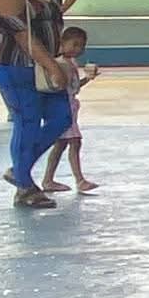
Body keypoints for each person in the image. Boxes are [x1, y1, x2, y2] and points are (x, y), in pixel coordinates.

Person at [0, 0, 68, 208]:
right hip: (15, 67)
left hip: (41, 67)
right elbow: (22, 35)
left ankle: (20, 168)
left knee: (62, 117)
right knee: (27, 122)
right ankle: (24, 186)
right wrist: (52, 65)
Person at [38, 26, 98, 193]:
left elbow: (73, 87)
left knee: (61, 145)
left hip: (69, 107)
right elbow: (61, 86)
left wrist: (88, 79)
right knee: (74, 142)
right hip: (64, 108)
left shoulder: (71, 63)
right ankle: (79, 180)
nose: (78, 49)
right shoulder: (60, 64)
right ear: (63, 43)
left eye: (81, 46)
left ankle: (48, 179)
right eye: (74, 44)